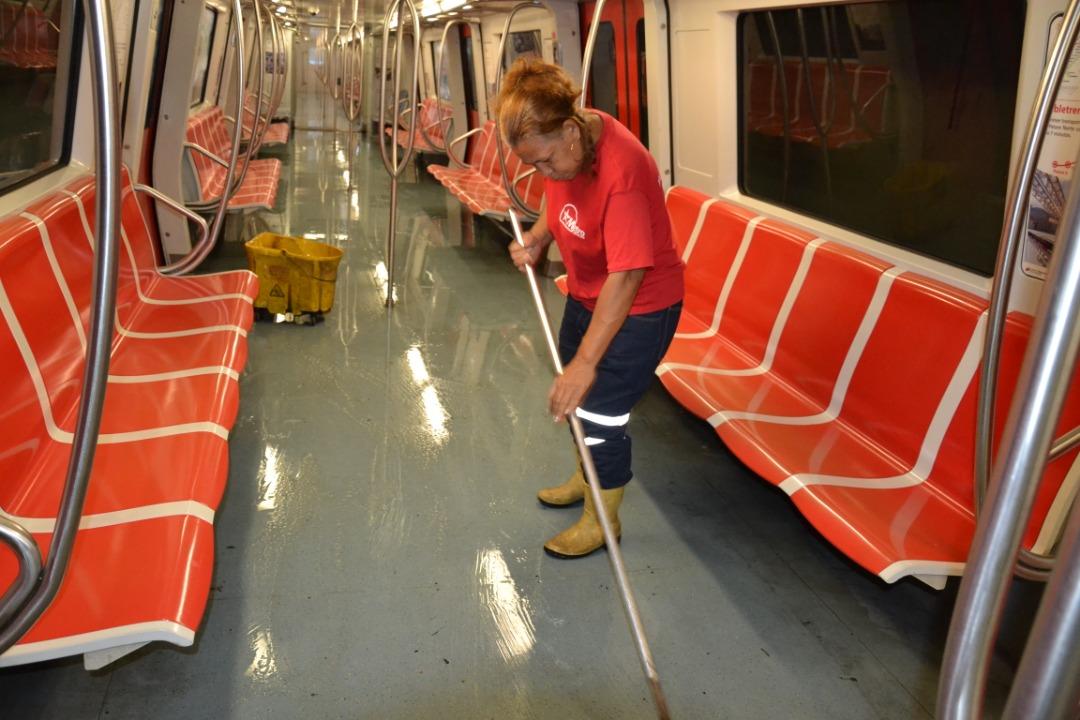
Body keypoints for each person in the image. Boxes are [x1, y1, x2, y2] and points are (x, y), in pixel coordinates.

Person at [494, 58, 684, 558]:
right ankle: (587, 480)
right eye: (531, 164)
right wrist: (537, 237)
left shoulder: (622, 172)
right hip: (586, 292)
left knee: (600, 413)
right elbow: (560, 196)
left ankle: (604, 522)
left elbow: (628, 277)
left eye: (544, 160)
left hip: (639, 306)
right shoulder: (567, 138)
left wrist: (585, 364)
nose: (542, 172)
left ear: (571, 135)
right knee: (577, 399)